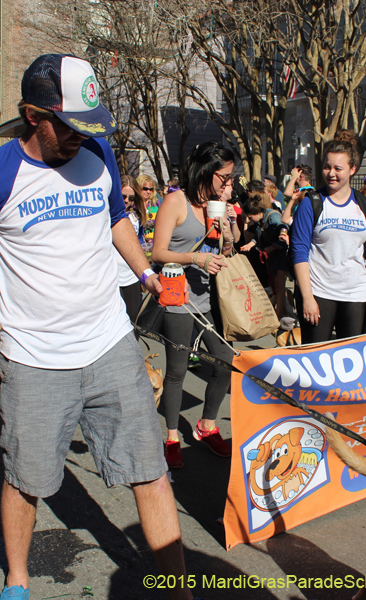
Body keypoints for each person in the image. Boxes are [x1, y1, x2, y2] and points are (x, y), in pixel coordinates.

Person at [0, 54, 197, 600]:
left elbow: (114, 219)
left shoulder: (98, 151)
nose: (81, 139)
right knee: (26, 479)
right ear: (32, 115)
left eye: (90, 126)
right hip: (35, 360)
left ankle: (177, 591)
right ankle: (17, 580)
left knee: (149, 467)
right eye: (69, 126)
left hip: (110, 343)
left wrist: (143, 271)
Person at [152, 142, 236, 470]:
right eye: (224, 177)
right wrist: (194, 258)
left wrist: (227, 232)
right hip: (177, 296)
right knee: (177, 369)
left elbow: (225, 253)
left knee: (224, 359)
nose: (229, 185)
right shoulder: (176, 201)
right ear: (205, 170)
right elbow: (157, 253)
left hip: (207, 298)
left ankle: (207, 425)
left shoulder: (217, 205)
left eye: (231, 178)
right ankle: (172, 437)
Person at [290, 129, 366, 343]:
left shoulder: (364, 205)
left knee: (350, 358)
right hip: (319, 292)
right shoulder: (311, 203)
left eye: (338, 168)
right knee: (315, 359)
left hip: (356, 294)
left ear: (352, 169)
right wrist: (307, 298)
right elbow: (299, 253)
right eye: (327, 167)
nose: (331, 173)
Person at [116, 174, 148, 321]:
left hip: (131, 276)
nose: (126, 201)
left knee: (134, 319)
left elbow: (139, 241)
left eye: (131, 198)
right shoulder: (108, 216)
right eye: (123, 196)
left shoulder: (136, 217)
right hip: (112, 277)